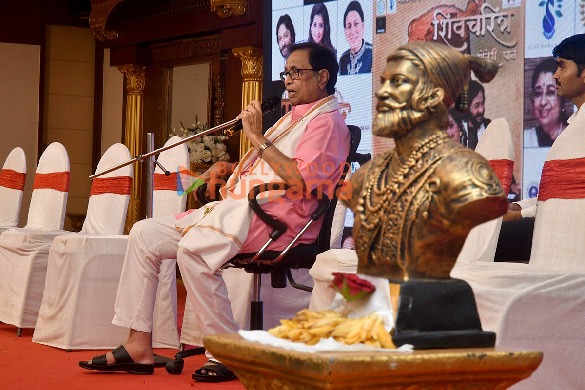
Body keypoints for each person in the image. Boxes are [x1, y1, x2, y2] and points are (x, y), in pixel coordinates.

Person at [79, 42, 350, 381]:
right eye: (286, 73)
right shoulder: (293, 118)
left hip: (282, 221)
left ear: (323, 76)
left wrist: (254, 136)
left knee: (194, 250)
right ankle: (138, 345)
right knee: (145, 233)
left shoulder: (328, 123)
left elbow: (301, 180)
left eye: (297, 73)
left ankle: (228, 351)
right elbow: (271, 169)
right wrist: (230, 167)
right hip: (247, 211)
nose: (288, 81)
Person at [342, 41, 506, 281]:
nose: (381, 92)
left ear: (433, 97)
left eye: (397, 82)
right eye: (383, 82)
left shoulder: (469, 173)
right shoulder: (369, 175)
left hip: (432, 308)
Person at [502, 34, 585, 268]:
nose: (556, 75)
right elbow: (560, 194)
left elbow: (573, 199)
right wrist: (519, 207)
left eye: (561, 67)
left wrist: (519, 215)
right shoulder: (576, 124)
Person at [524, 57, 569, 147]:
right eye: (538, 93)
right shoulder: (526, 140)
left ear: (562, 98)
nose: (543, 102)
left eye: (550, 92)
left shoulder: (576, 138)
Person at [339, 1, 372, 75]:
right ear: (345, 31)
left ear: (363, 26)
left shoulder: (372, 53)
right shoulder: (343, 59)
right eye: (349, 26)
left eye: (356, 24)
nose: (352, 31)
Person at [461, 80, 490, 150]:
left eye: (482, 103)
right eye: (476, 106)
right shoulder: (459, 129)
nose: (481, 110)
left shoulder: (489, 128)